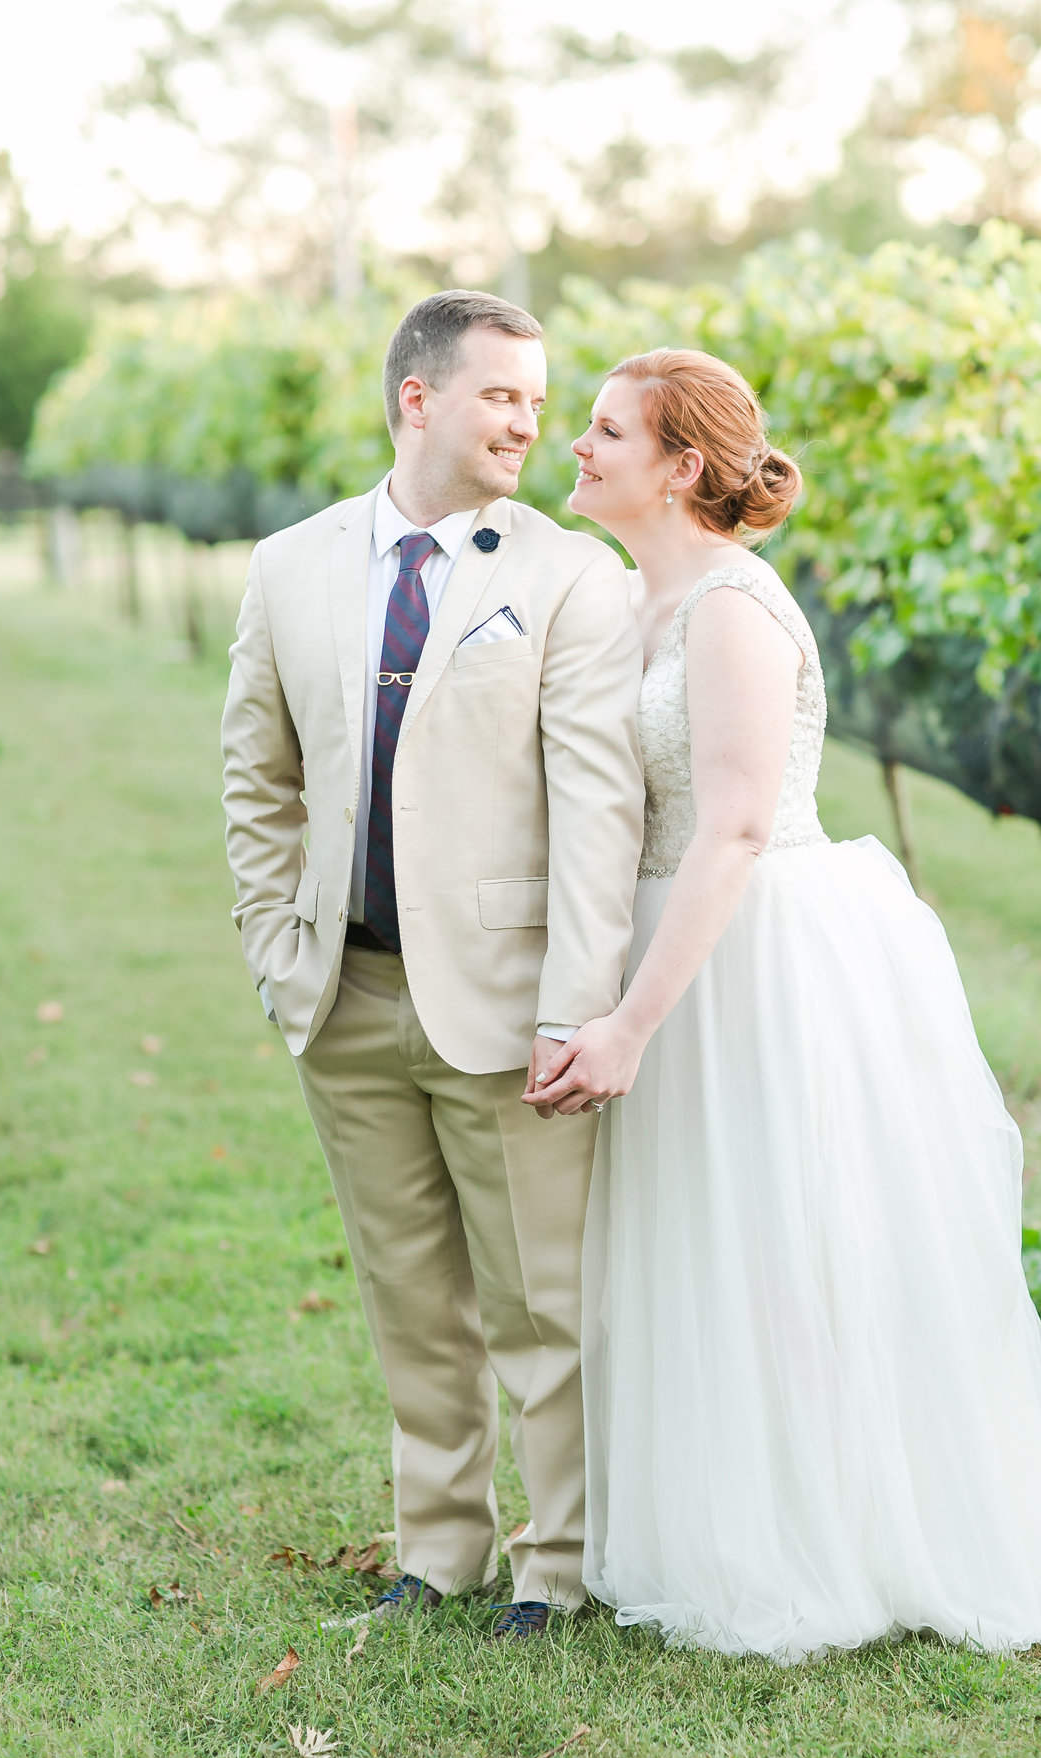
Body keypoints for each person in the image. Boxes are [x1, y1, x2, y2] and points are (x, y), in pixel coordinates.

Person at [526, 347, 1041, 1664]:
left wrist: (632, 1022)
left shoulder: (733, 611)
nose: (575, 448)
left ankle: (834, 1539)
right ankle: (720, 1519)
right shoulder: (635, 597)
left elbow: (738, 824)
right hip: (671, 940)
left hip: (758, 953)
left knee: (789, 1244)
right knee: (706, 1243)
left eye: (604, 430)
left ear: (682, 465)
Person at [221, 291, 645, 1640]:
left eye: (539, 398)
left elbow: (599, 810)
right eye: (505, 395)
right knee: (408, 1291)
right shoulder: (288, 566)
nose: (534, 422)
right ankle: (439, 1548)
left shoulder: (569, 575)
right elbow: (256, 775)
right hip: (341, 994)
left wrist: (575, 1004)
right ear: (420, 398)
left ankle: (558, 1562)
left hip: (512, 1007)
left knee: (541, 1302)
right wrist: (275, 939)